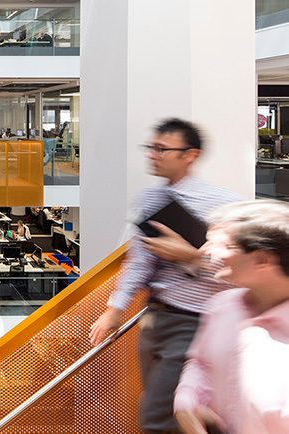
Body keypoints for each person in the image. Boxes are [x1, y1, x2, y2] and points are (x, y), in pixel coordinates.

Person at [88, 118, 241, 434]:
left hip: (196, 319)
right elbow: (139, 263)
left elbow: (239, 272)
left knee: (158, 415)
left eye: (162, 149)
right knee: (166, 407)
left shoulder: (223, 205)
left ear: (190, 155)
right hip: (156, 316)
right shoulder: (149, 200)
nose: (152, 155)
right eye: (151, 148)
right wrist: (113, 310)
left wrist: (193, 258)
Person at [172, 200, 289, 434]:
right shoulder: (223, 307)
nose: (206, 251)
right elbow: (201, 363)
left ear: (262, 260)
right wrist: (187, 404)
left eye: (225, 245)